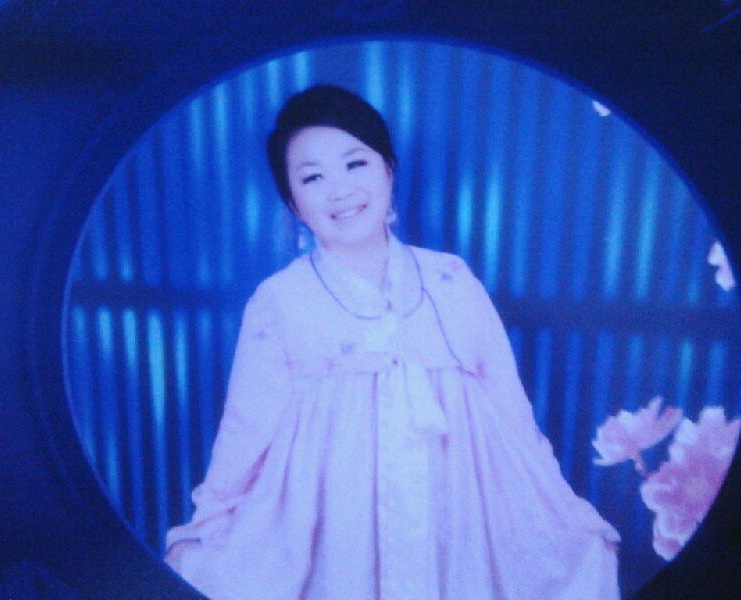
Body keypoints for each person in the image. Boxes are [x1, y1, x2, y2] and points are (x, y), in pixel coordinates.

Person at [165, 84, 620, 600]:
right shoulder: (280, 300)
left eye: (355, 164)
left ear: (388, 170)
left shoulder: (451, 280)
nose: (340, 191)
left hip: (458, 523)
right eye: (313, 177)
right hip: (336, 531)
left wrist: (563, 510)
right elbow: (245, 430)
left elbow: (511, 413)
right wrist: (206, 528)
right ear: (293, 203)